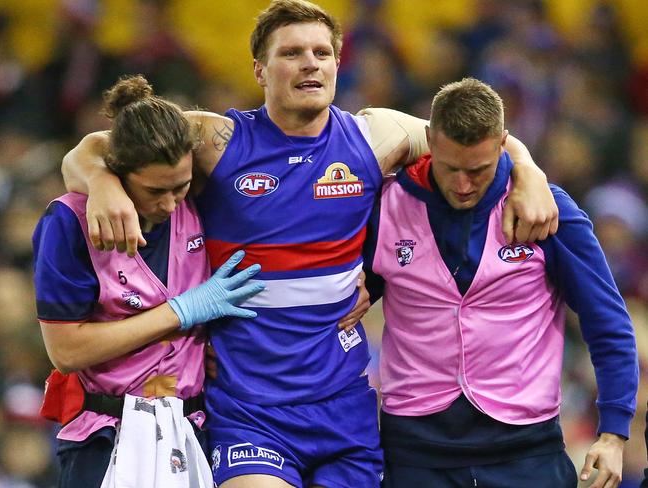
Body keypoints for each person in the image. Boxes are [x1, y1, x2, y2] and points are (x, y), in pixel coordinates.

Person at [60, 2, 560, 487]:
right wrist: (102, 184)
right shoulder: (218, 140)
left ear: (339, 63)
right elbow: (95, 148)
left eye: (322, 53)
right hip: (248, 408)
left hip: (343, 401)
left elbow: (476, 141)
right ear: (260, 69)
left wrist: (530, 171)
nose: (309, 64)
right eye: (292, 52)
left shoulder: (375, 135)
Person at [363, 77, 638, 488]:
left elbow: (608, 322)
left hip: (526, 452)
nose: (462, 185)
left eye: (477, 170)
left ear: (502, 144)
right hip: (416, 456)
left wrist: (614, 433)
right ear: (429, 142)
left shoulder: (548, 212)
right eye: (450, 167)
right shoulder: (385, 207)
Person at [33, 75, 265, 488]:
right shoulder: (69, 222)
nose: (171, 202)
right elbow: (66, 351)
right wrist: (181, 312)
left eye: (181, 186)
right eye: (156, 191)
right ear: (119, 173)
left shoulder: (197, 202)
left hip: (192, 426)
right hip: (107, 432)